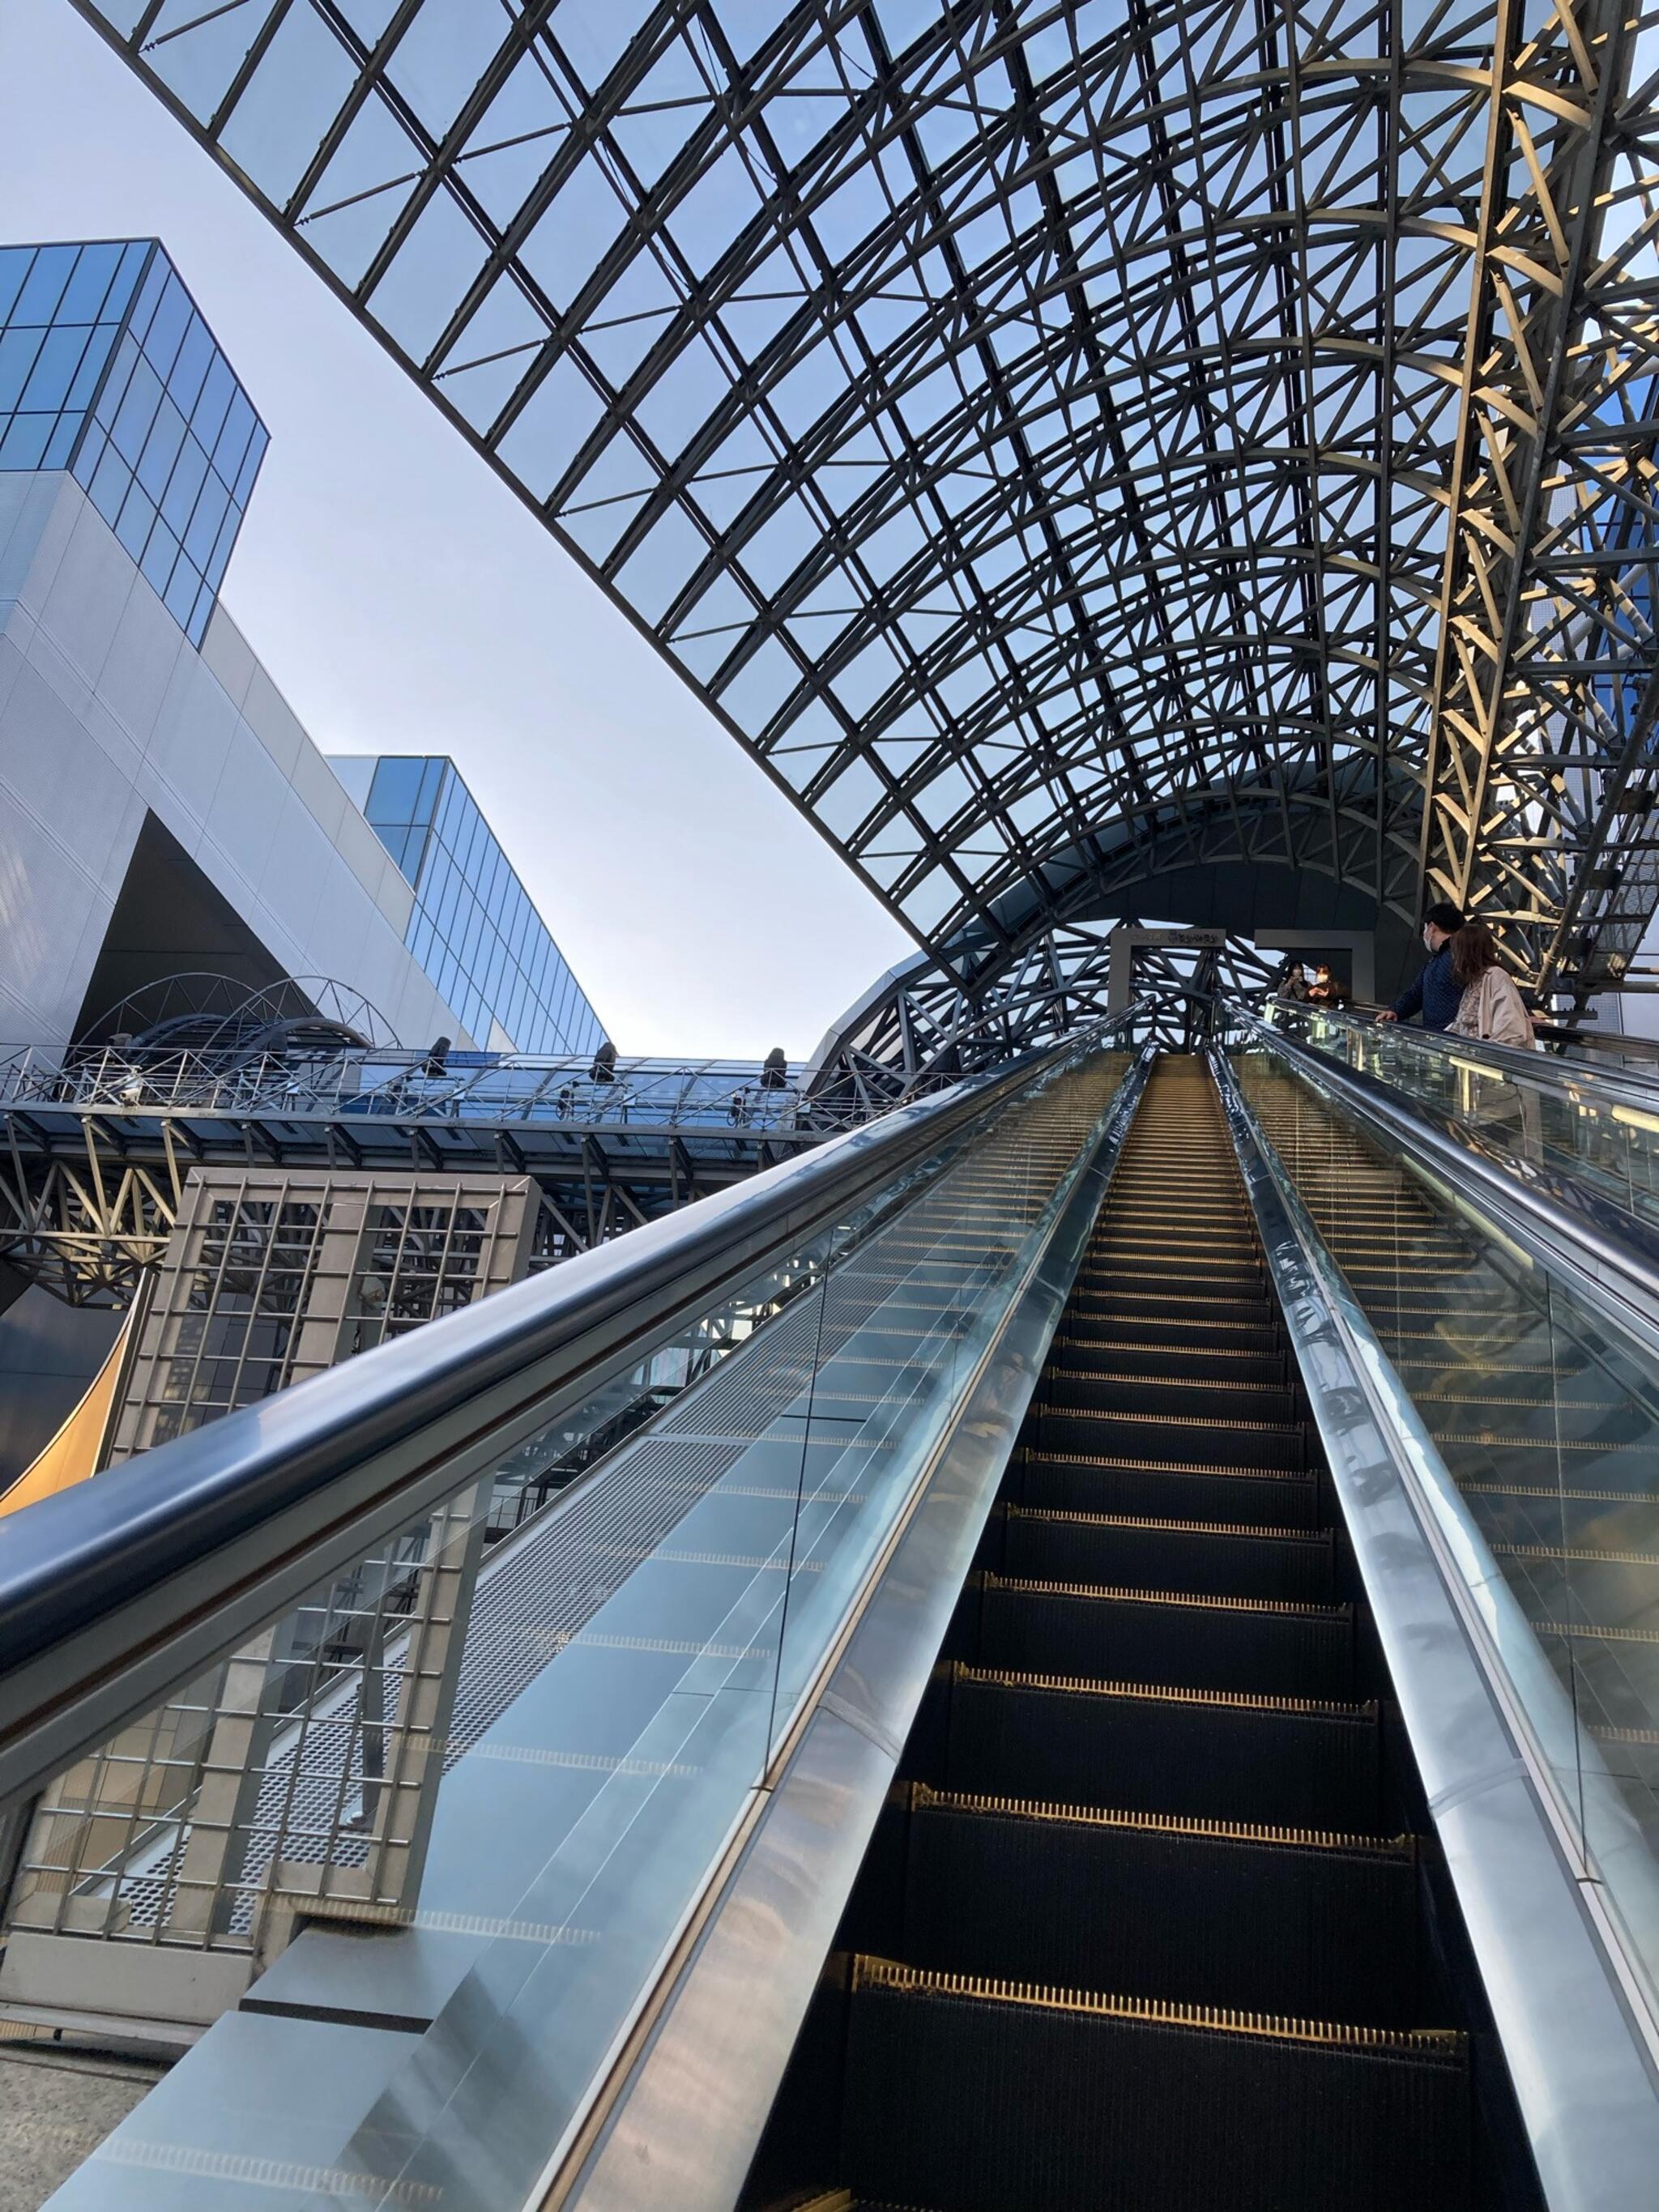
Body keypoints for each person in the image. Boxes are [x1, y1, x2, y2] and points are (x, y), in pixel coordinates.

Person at [1446, 924, 1536, 1049]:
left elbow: (1510, 1030)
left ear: (1466, 952)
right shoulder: (1475, 981)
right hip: (1472, 1059)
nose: (1453, 957)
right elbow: (1461, 1023)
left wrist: (1487, 1053)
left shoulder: (1496, 977)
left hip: (1486, 1060)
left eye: (1456, 952)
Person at [1379, 901, 1464, 1029]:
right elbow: (1417, 994)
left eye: (1425, 928)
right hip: (1457, 1039)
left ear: (1431, 927)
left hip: (1446, 1038)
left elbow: (1416, 994)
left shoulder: (1442, 960)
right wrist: (1396, 1010)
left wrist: (1395, 1011)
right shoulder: (1456, 956)